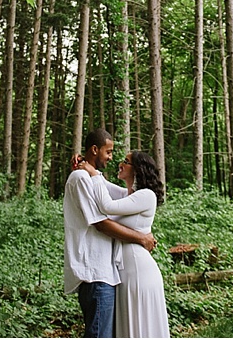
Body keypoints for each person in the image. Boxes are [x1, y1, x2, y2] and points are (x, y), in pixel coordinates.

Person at [63, 129, 157, 338]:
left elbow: (120, 194)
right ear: (95, 150)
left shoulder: (90, 178)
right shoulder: (80, 178)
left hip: (109, 273)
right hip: (94, 271)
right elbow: (101, 224)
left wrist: (92, 172)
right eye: (109, 151)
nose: (112, 157)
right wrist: (141, 237)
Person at [77, 150, 170, 338]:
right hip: (124, 272)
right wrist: (86, 164)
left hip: (138, 271)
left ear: (137, 169)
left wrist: (93, 173)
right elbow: (103, 185)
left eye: (125, 162)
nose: (120, 163)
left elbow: (107, 206)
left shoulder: (146, 196)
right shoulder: (127, 195)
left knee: (139, 326)